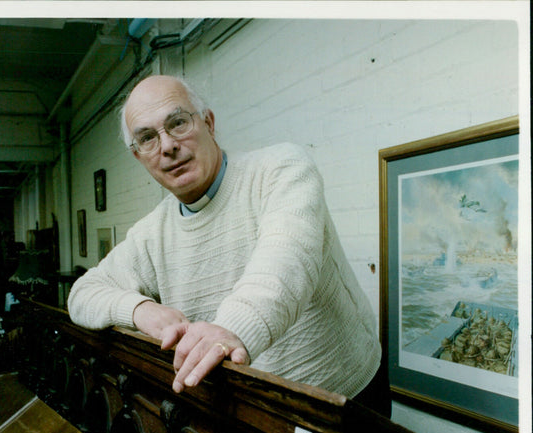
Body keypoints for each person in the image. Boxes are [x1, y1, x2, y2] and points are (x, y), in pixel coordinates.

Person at [67, 75, 388, 415]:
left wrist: (230, 329)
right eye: (147, 138)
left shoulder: (281, 169)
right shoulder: (151, 232)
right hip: (256, 409)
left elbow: (286, 265)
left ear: (208, 123)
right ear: (139, 156)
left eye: (177, 123)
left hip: (345, 394)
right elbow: (83, 294)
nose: (167, 146)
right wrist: (139, 310)